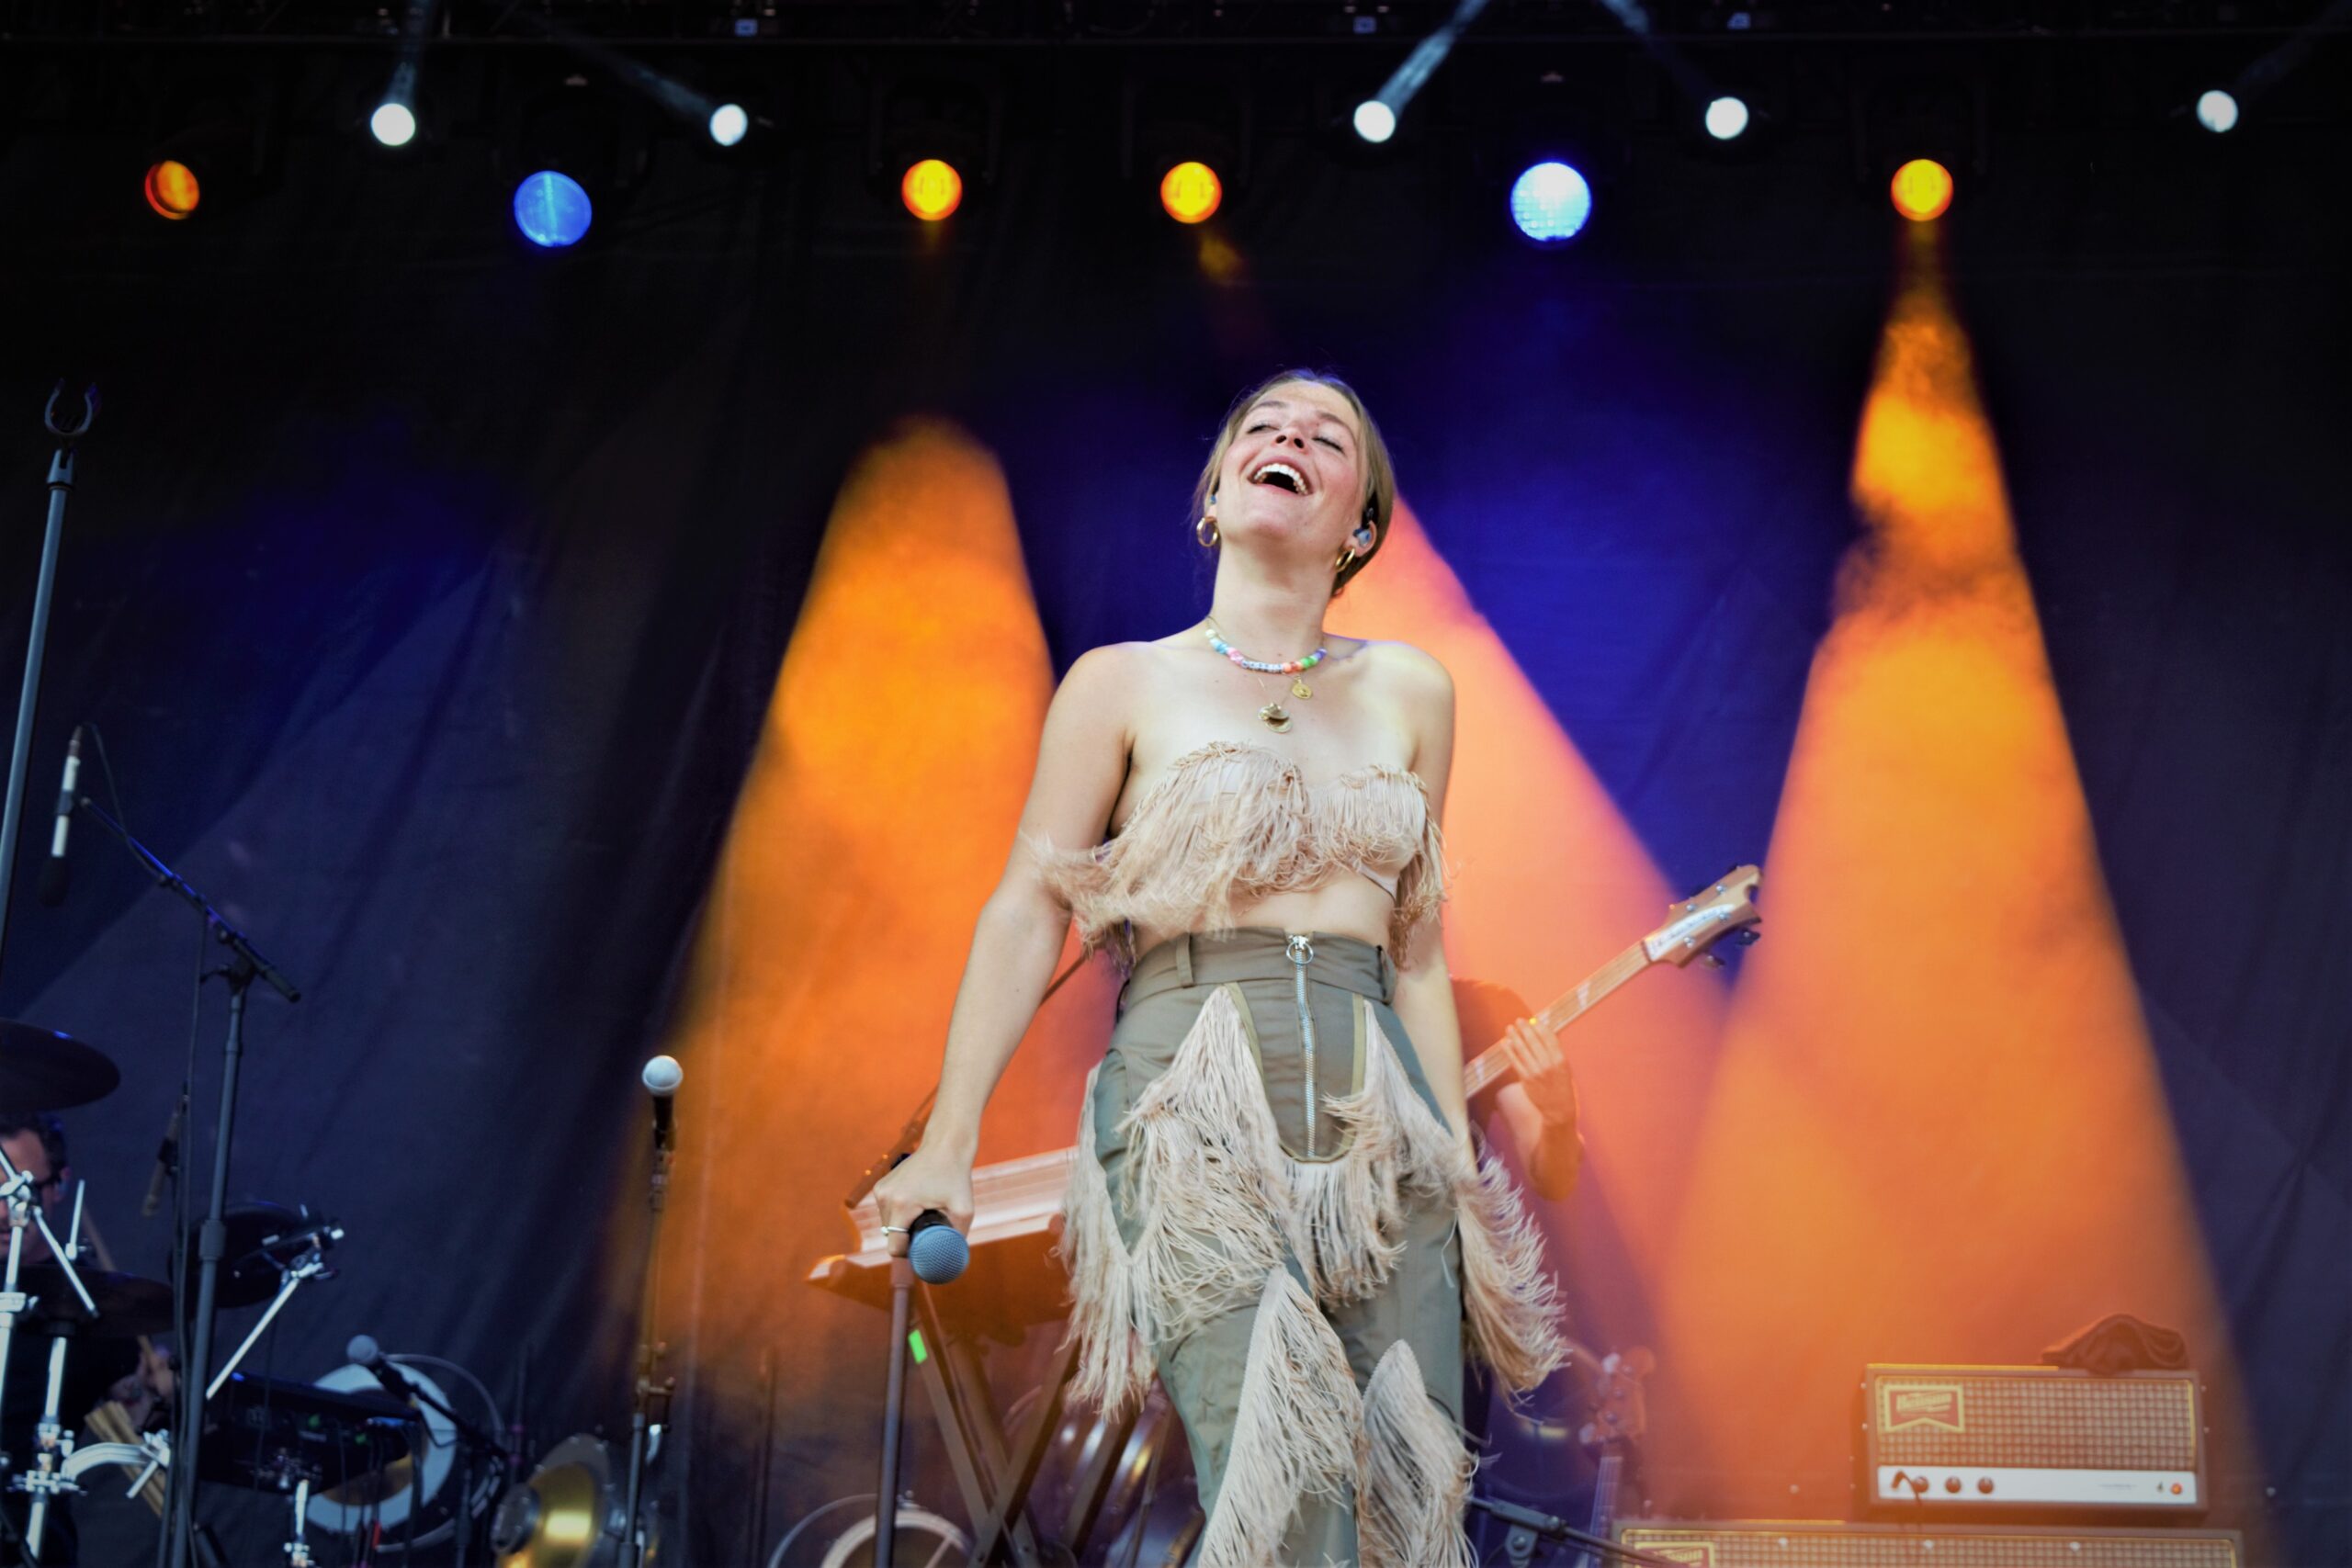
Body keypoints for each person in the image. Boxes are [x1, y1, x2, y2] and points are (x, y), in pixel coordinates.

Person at [874, 370, 1567, 1566]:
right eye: (1263, 425)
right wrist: (949, 1138)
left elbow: (1415, 942)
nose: (1289, 434)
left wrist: (1450, 1158)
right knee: (1285, 1482)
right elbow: (1028, 909)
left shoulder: (1412, 688)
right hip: (1192, 1090)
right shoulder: (1122, 681)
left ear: (1360, 524)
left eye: (1327, 434)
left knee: (1408, 1502)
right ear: (1215, 493)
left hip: (1377, 1102)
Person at [0, 1111, 145, 1566]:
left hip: (25, 1534)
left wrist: (147, 1396)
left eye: (23, 1192)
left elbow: (138, 1409)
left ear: (59, 1185)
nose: (5, 1211)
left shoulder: (96, 1308)